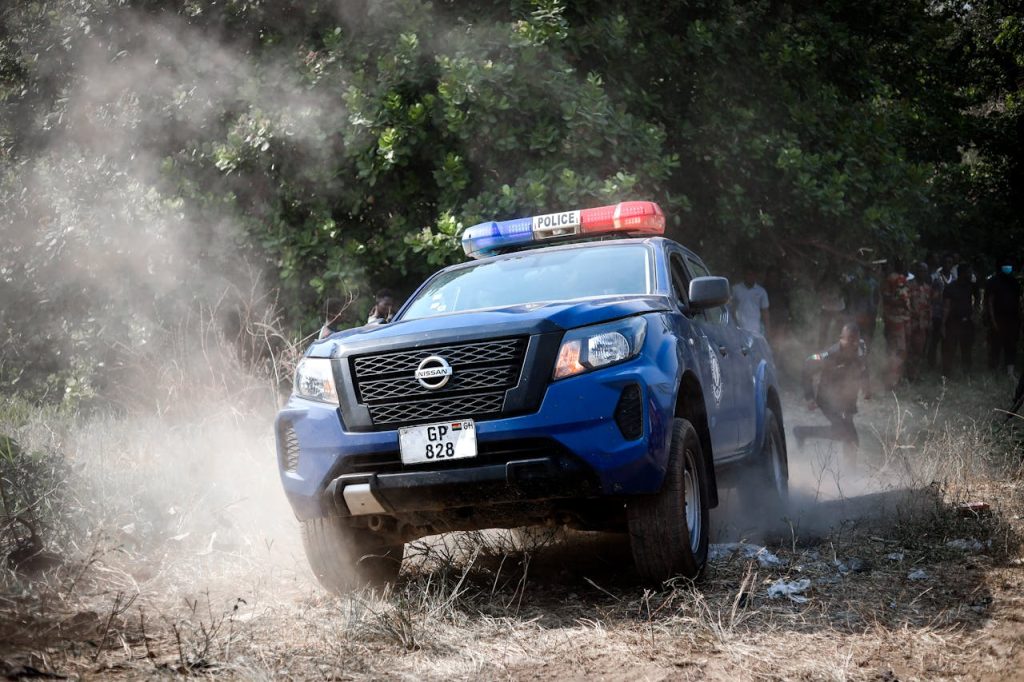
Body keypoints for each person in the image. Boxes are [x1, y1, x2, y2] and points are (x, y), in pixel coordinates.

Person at [794, 323, 871, 456]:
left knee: (847, 436)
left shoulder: (861, 347)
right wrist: (809, 397)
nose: (853, 344)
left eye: (856, 340)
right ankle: (849, 474)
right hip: (827, 398)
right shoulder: (830, 355)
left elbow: (863, 366)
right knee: (847, 435)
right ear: (841, 338)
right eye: (850, 339)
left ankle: (802, 432)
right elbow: (807, 365)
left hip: (848, 398)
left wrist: (866, 386)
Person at [985, 257, 1021, 379]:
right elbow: (990, 302)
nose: (1008, 268)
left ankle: (1010, 373)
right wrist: (993, 321)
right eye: (1006, 266)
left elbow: (1018, 302)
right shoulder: (993, 282)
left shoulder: (1014, 282)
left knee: (1011, 346)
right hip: (998, 319)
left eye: (1010, 266)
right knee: (995, 345)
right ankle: (993, 371)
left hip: (1012, 320)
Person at [942, 263, 978, 377]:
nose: (970, 274)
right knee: (950, 349)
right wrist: (943, 323)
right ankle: (947, 373)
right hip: (953, 322)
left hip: (967, 322)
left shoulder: (971, 286)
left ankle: (967, 372)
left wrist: (975, 315)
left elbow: (977, 301)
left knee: (967, 349)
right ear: (962, 273)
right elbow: (946, 307)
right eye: (968, 272)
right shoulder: (951, 287)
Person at [881, 257, 911, 389]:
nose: (905, 265)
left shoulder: (901, 278)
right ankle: (891, 381)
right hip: (895, 319)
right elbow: (887, 299)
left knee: (897, 350)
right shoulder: (893, 278)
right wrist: (902, 303)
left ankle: (895, 379)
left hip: (902, 319)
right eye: (903, 262)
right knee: (897, 350)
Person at [907, 262, 933, 380]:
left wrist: (930, 321)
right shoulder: (909, 286)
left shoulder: (927, 288)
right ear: (916, 272)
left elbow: (929, 306)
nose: (922, 273)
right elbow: (905, 304)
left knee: (920, 350)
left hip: (923, 324)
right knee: (909, 350)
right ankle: (907, 375)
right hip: (910, 323)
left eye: (925, 271)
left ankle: (916, 374)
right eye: (920, 271)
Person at [732, 267, 770, 335]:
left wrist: (767, 330)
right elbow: (732, 308)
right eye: (748, 274)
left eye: (752, 274)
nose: (750, 277)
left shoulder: (761, 291)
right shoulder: (736, 289)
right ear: (744, 275)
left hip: (756, 331)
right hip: (739, 330)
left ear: (755, 276)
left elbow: (765, 312)